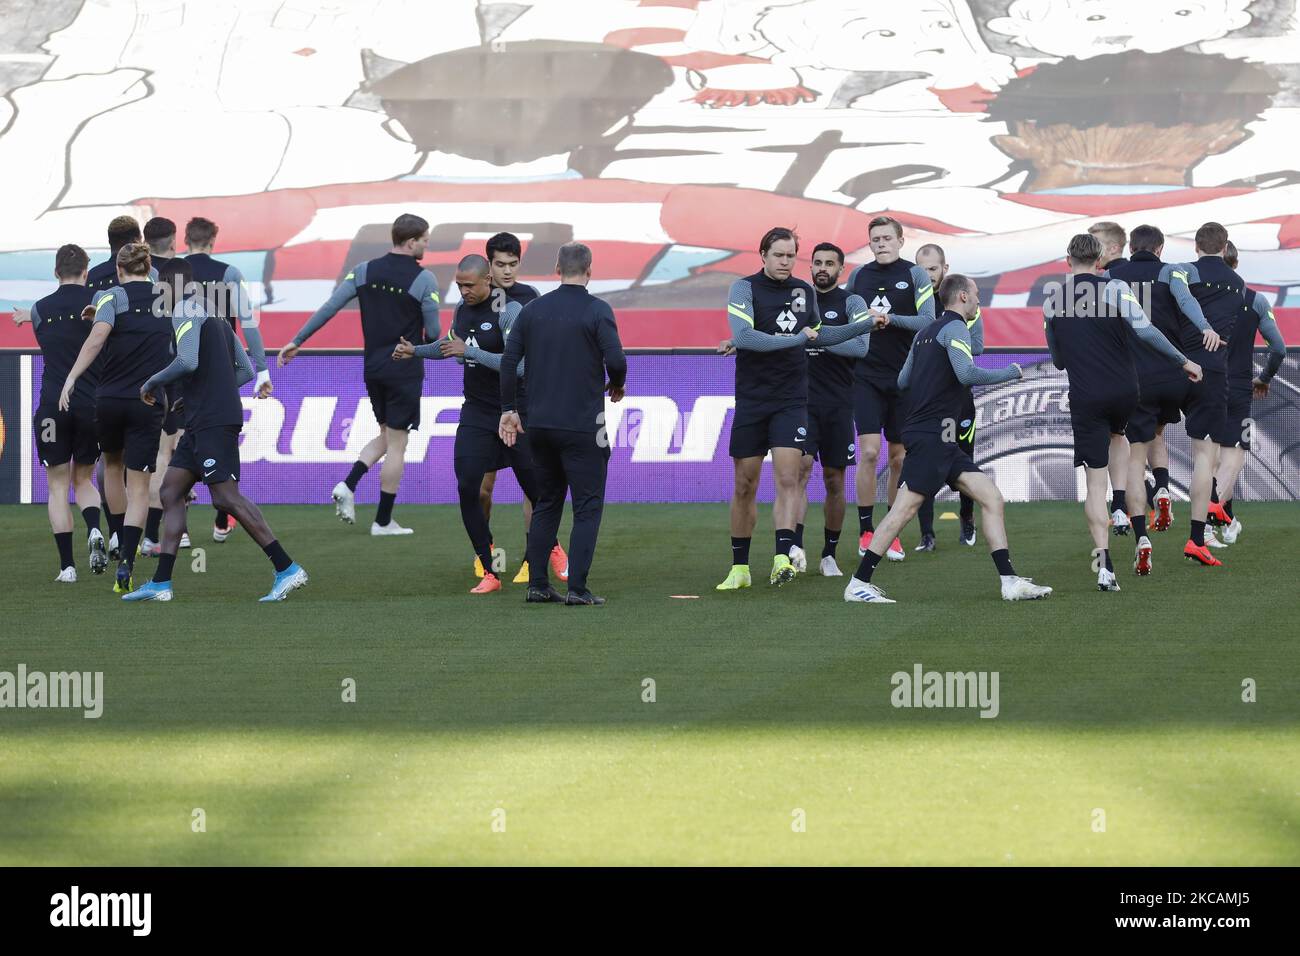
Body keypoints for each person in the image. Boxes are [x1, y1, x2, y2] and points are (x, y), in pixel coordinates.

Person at [845, 275, 1051, 604]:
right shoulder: (955, 328)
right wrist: (1009, 372)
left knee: (991, 498)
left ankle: (1009, 580)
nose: (979, 302)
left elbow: (903, 380)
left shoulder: (923, 334)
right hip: (932, 435)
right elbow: (966, 373)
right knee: (903, 511)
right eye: (976, 296)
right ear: (962, 297)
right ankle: (859, 582)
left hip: (939, 435)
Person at [715, 227, 874, 590]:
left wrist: (862, 325)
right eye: (779, 255)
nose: (786, 262)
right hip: (753, 399)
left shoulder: (803, 291)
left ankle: (781, 558)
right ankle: (740, 568)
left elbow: (821, 335)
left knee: (789, 477)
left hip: (792, 399)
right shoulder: (744, 288)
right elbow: (745, 337)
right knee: (744, 483)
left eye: (790, 256)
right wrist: (795, 339)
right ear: (763, 255)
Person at [124, 292, 307, 602]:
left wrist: (151, 382)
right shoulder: (216, 318)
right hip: (203, 419)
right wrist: (202, 395)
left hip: (212, 421)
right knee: (170, 491)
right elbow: (246, 371)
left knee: (225, 497)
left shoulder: (183, 310)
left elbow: (187, 360)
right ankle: (161, 583)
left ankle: (286, 567)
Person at [1044, 234, 1201, 590]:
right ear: (1100, 258)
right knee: (1123, 441)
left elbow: (1057, 360)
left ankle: (1104, 564)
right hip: (1125, 390)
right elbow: (1146, 332)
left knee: (1092, 483)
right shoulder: (1115, 289)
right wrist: (1183, 360)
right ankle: (1121, 505)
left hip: (1086, 395)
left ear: (1068, 258)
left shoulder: (1053, 300)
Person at [280, 214, 440, 535]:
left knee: (387, 436)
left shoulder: (363, 270)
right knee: (398, 445)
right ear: (411, 242)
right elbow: (434, 333)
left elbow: (329, 307)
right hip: (404, 369)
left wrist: (297, 341)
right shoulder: (425, 280)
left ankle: (348, 484)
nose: (426, 244)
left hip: (374, 369)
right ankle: (383, 521)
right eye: (424, 239)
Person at [394, 255, 542, 594]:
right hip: (476, 412)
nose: (462, 290)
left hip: (515, 413)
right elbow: (450, 348)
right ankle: (489, 569)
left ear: (488, 280)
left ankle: (548, 550)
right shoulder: (462, 311)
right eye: (459, 284)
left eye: (469, 285)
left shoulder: (509, 311)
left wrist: (471, 353)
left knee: (537, 491)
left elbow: (518, 366)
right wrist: (414, 350)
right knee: (468, 488)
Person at [498, 242, 626, 606]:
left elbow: (509, 362)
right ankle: (578, 589)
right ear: (589, 270)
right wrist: (616, 383)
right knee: (586, 506)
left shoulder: (533, 310)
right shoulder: (597, 309)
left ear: (557, 268)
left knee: (547, 502)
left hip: (538, 425)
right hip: (584, 424)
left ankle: (537, 584)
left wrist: (509, 408)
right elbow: (616, 358)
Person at [59, 243, 174, 593]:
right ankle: (126, 558)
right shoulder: (165, 298)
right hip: (147, 399)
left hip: (108, 399)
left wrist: (72, 376)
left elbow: (96, 340)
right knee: (139, 486)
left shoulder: (111, 297)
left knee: (111, 467)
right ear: (149, 267)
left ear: (119, 271)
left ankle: (114, 533)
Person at [472, 231, 567, 584]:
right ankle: (486, 554)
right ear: (488, 265)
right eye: (500, 264)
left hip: (526, 403)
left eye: (513, 264)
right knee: (482, 489)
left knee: (533, 486)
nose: (507, 271)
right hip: (484, 403)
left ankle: (533, 557)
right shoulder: (474, 297)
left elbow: (535, 353)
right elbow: (461, 350)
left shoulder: (530, 298)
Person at [13, 244, 106, 581]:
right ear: (87, 271)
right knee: (85, 479)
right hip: (89, 403)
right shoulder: (100, 306)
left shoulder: (40, 309)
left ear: (56, 273)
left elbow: (45, 327)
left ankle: (67, 567)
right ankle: (95, 528)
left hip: (52, 405)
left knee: (57, 486)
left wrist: (26, 315)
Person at [847, 216, 936, 563]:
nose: (881, 243)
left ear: (900, 240)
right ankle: (866, 529)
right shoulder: (859, 276)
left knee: (898, 457)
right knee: (869, 452)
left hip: (904, 377)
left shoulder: (913, 275)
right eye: (875, 239)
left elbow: (927, 319)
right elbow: (847, 319)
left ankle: (890, 532)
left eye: (887, 238)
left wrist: (887, 319)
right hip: (866, 376)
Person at [1106, 224, 1193, 566]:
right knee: (1159, 432)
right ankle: (1163, 487)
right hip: (1172, 372)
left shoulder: (1115, 273)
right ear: (1160, 248)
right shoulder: (1171, 273)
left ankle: (1141, 533)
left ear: (1130, 246)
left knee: (1134, 449)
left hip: (1135, 376)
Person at [183, 216, 272, 542]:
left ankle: (178, 530)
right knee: (221, 439)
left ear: (186, 239)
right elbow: (248, 323)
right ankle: (223, 517)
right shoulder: (228, 273)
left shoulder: (173, 275)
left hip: (184, 367)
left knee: (178, 443)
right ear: (213, 240)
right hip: (221, 368)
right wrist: (261, 368)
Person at [1162, 222, 1245, 567]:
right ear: (1225, 247)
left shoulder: (1180, 272)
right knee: (1203, 457)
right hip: (1210, 372)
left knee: (1143, 444)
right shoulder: (1237, 283)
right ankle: (1198, 537)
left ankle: (1144, 502)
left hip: (1172, 366)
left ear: (1195, 246)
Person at [794, 242, 872, 577]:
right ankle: (793, 548)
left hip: (840, 403)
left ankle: (829, 554)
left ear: (841, 269)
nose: (822, 268)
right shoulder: (796, 299)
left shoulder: (851, 302)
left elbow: (860, 345)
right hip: (800, 402)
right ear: (810, 267)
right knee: (800, 471)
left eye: (829, 263)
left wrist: (817, 338)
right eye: (817, 262)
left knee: (834, 480)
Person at [1210, 240, 1287, 544]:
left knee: (1210, 458)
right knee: (1232, 456)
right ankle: (1207, 522)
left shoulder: (1198, 298)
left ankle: (1227, 520)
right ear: (1236, 264)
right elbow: (1279, 348)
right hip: (1239, 386)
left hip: (1204, 385)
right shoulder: (1254, 300)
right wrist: (1264, 378)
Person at [912, 242, 982, 550]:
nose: (927, 275)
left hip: (958, 397)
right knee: (924, 460)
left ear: (945, 269)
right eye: (921, 269)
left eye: (932, 268)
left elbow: (977, 346)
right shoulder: (915, 303)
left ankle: (967, 516)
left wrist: (948, 347)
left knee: (963, 456)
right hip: (926, 397)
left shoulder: (965, 303)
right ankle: (927, 533)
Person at [1089, 220, 1133, 535]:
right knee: (1126, 438)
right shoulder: (1139, 279)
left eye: (1097, 243)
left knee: (1104, 444)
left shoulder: (1107, 281)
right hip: (1131, 376)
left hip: (1104, 374)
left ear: (1114, 247)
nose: (1093, 251)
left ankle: (1116, 506)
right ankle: (1123, 502)